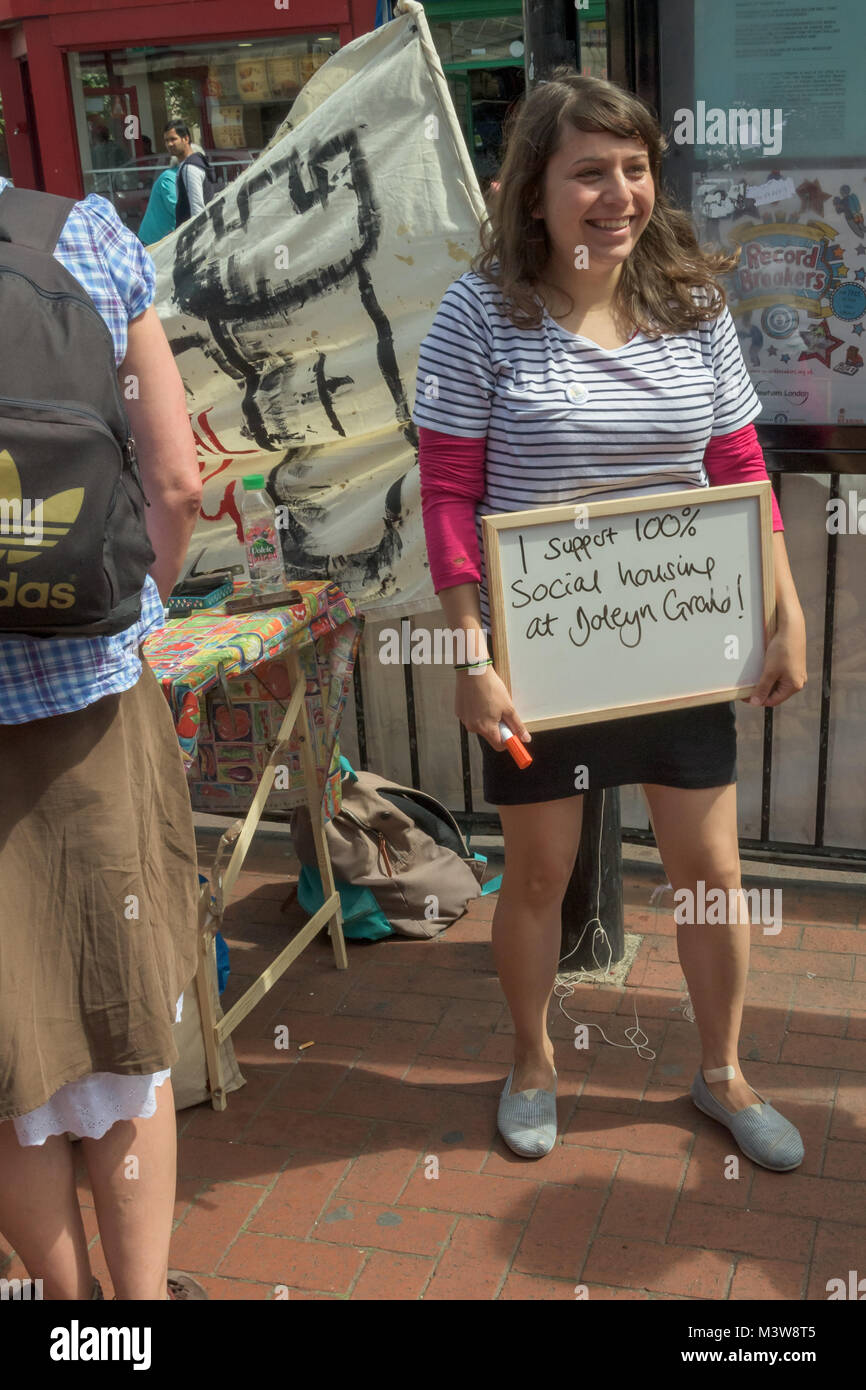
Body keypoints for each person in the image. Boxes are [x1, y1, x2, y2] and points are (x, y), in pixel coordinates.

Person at [413, 71, 808, 1169]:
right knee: (538, 875)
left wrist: (787, 611)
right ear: (531, 190)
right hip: (541, 661)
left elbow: (737, 465)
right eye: (587, 171)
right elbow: (446, 491)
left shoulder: (690, 301)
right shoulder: (477, 313)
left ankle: (721, 1071)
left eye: (633, 168)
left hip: (680, 646)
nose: (617, 193)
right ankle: (533, 1060)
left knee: (711, 873)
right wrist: (467, 654)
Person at [0, 175, 208, 1298]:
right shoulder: (83, 234)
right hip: (86, 712)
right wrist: (130, 622)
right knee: (125, 1044)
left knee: (8, 1067)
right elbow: (175, 483)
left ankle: (68, 1315)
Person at [164, 120, 215, 227]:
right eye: (166, 140)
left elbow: (197, 209)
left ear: (186, 139)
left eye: (173, 139)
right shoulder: (188, 164)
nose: (169, 144)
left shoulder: (190, 167)